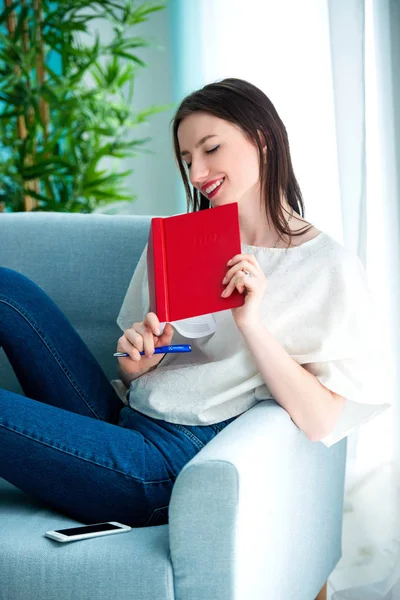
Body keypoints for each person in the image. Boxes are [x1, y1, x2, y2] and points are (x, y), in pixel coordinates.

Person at [0, 78, 390, 528]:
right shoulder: (183, 240)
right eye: (188, 160)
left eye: (211, 149)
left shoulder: (327, 267)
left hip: (162, 468)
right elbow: (155, 360)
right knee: (9, 292)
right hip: (124, 416)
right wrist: (139, 362)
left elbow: (322, 421)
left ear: (261, 138)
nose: (198, 174)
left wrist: (252, 324)